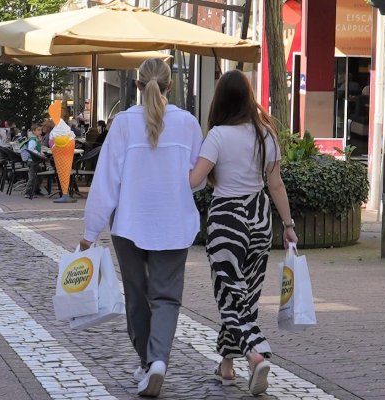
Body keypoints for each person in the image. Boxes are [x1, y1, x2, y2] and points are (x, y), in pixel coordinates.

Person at [79, 58, 202, 397]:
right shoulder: (188, 123)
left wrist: (90, 232)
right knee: (166, 298)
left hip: (130, 223)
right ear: (169, 86)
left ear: (136, 86)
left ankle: (147, 362)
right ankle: (157, 360)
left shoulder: (122, 124)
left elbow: (106, 181)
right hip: (174, 223)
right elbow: (198, 178)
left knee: (136, 295)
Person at [186, 70, 297, 396]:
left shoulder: (218, 136)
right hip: (260, 218)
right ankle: (227, 366)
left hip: (227, 219)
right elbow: (276, 184)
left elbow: (194, 181)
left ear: (220, 100)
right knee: (243, 297)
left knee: (230, 295)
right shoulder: (266, 134)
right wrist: (288, 226)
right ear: (249, 98)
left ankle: (255, 353)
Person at [21, 120, 52, 199]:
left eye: (41, 130)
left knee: (40, 175)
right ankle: (28, 192)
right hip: (32, 161)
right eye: (38, 130)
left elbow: (38, 148)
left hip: (35, 161)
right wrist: (39, 154)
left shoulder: (37, 139)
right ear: (33, 131)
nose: (40, 132)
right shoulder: (32, 139)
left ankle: (36, 190)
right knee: (32, 177)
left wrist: (41, 152)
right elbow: (31, 149)